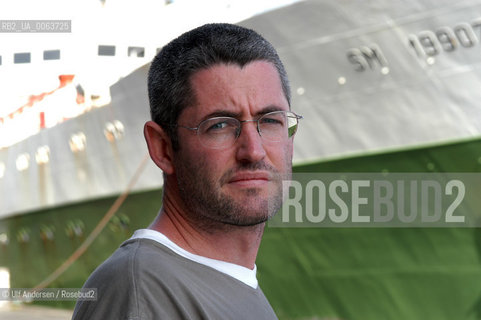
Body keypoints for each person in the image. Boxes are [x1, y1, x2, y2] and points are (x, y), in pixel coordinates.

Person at [72, 23, 302, 319]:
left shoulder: (232, 282)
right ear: (163, 148)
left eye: (270, 121)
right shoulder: (142, 294)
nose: (253, 151)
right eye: (220, 125)